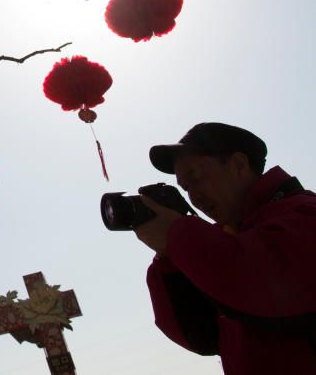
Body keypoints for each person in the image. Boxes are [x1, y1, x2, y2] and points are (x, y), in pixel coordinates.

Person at [133, 122, 316, 374]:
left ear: (239, 165)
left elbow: (263, 288)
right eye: (185, 189)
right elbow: (201, 336)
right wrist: (169, 261)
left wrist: (178, 236)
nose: (194, 197)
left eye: (196, 179)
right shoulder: (228, 240)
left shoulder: (303, 214)